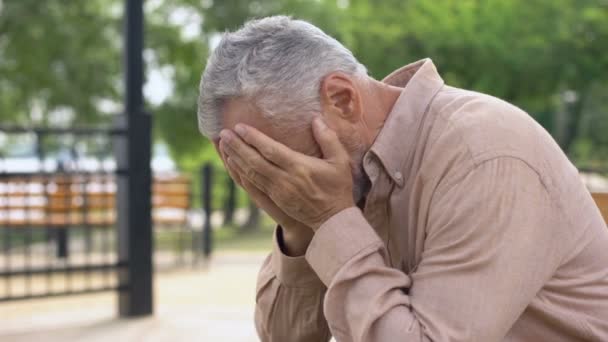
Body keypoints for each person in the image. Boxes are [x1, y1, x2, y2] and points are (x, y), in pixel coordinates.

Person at [196, 16, 608, 342]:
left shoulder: (482, 153)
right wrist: (298, 227)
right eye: (252, 167)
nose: (282, 180)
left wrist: (330, 220)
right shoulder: (350, 174)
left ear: (342, 99)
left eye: (280, 159)